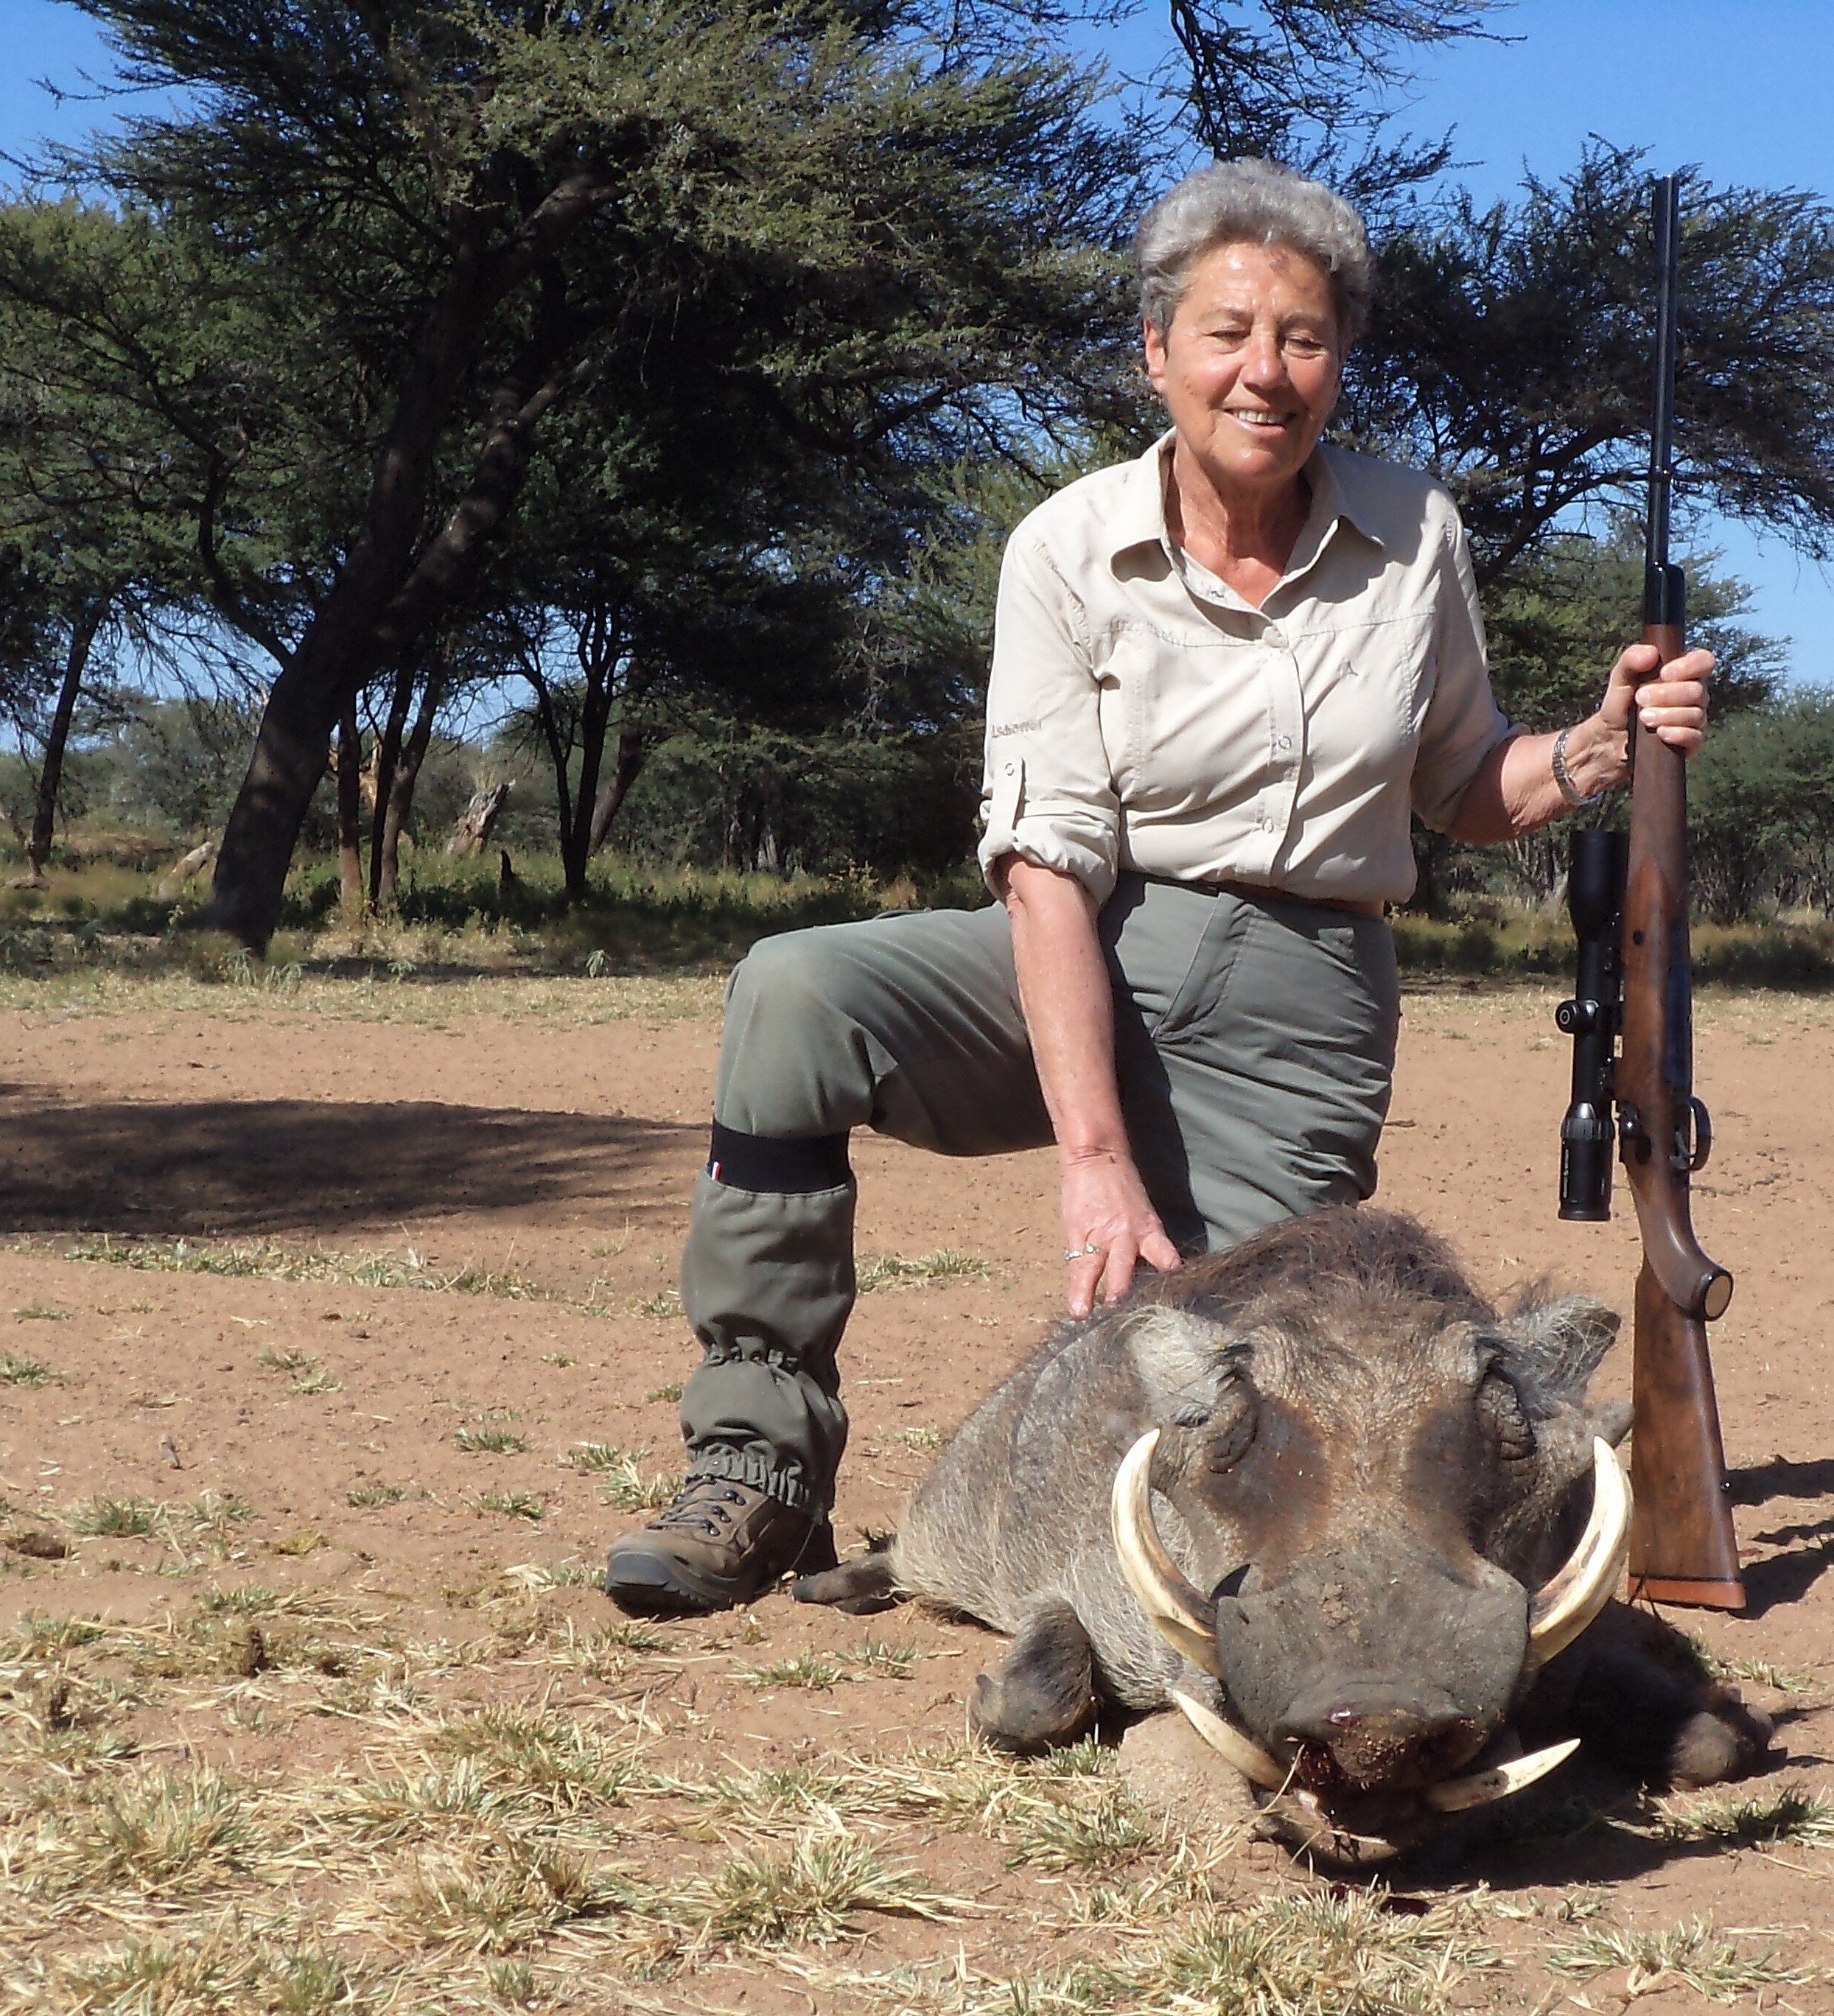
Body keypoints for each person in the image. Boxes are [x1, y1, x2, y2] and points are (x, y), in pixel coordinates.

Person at [603, 158, 1715, 1615]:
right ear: (1157, 354)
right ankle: (758, 1471)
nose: (1268, 372)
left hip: (1301, 988)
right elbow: (1044, 867)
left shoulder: (1414, 536)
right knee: (796, 993)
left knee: (1210, 1377)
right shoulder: (1067, 547)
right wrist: (1094, 1158)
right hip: (1089, 940)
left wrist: (1591, 749)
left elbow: (1455, 782)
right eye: (1229, 332)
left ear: (1342, 358)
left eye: (1305, 338)